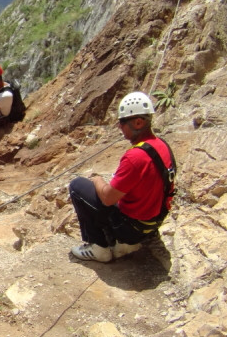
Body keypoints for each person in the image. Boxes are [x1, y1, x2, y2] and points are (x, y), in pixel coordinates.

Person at [68, 92, 177, 263]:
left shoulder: (135, 157)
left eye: (122, 122)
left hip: (131, 228)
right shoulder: (162, 145)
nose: (120, 127)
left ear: (138, 122)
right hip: (153, 222)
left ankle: (99, 247)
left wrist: (97, 180)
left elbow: (108, 198)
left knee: (77, 186)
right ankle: (129, 241)